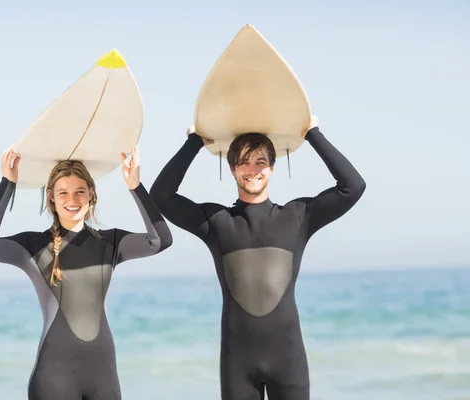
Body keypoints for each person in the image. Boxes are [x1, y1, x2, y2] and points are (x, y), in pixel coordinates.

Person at [150, 116, 366, 400]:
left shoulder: (298, 216)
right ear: (232, 169)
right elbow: (161, 196)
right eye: (244, 162)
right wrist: (194, 143)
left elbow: (353, 186)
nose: (253, 170)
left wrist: (312, 134)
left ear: (272, 168)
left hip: (289, 362)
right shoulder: (216, 221)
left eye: (260, 162)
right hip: (237, 363)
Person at [0, 145, 172, 400]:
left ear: (91, 194)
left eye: (79, 191)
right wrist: (8, 184)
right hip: (53, 381)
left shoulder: (111, 242)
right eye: (63, 192)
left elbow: (160, 241)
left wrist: (135, 186)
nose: (72, 199)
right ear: (52, 198)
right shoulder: (33, 246)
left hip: (105, 380)